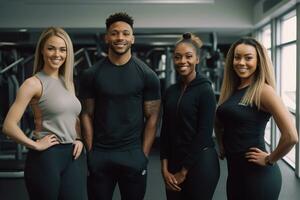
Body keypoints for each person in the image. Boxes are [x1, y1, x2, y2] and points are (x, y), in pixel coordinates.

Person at [79, 12, 161, 200]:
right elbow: (86, 114)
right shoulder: (91, 74)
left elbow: (153, 117)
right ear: (107, 37)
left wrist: (144, 155)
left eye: (125, 33)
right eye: (115, 33)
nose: (120, 38)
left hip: (132, 154)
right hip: (101, 154)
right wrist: (91, 152)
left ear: (132, 38)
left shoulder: (147, 75)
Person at [2, 27, 87, 200]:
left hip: (71, 156)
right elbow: (9, 126)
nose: (57, 54)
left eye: (62, 49)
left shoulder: (67, 82)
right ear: (42, 50)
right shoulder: (33, 84)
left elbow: (72, 116)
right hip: (46, 157)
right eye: (51, 48)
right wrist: (35, 145)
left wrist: (78, 138)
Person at [215, 37, 298, 200]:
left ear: (259, 61)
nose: (241, 62)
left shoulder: (263, 91)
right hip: (235, 174)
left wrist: (270, 159)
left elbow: (291, 136)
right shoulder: (232, 89)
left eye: (248, 57)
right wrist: (221, 145)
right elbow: (220, 121)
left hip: (258, 176)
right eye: (237, 57)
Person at [160, 32, 220, 200]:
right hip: (174, 161)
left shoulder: (205, 90)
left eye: (188, 56)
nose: (182, 61)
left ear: (197, 59)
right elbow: (165, 130)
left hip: (200, 162)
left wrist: (184, 171)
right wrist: (164, 168)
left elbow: (204, 132)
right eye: (178, 57)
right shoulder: (171, 91)